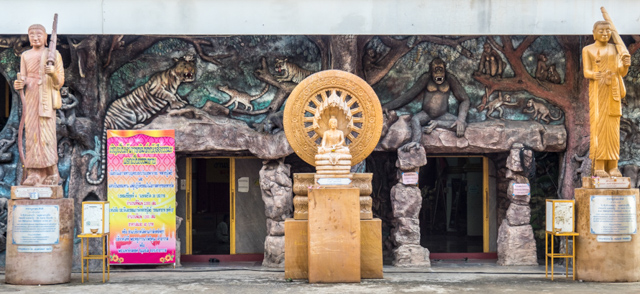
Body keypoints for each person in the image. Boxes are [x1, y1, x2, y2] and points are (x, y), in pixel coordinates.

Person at [13, 24, 64, 186]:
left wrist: (53, 73)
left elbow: (60, 82)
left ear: (46, 37)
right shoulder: (25, 55)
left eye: (38, 34)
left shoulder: (53, 54)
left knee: (47, 135)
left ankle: (52, 172)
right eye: (32, 35)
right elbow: (24, 77)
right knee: (32, 135)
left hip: (46, 98)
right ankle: (34, 173)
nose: (35, 38)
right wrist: (19, 83)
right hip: (31, 97)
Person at [582, 21, 631, 178]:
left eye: (608, 30)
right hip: (598, 92)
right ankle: (599, 166)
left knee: (613, 131)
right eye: (601, 31)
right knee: (599, 128)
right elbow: (586, 72)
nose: (605, 33)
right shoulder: (587, 49)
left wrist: (626, 65)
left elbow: (620, 72)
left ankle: (613, 166)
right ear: (594, 32)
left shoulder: (614, 49)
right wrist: (593, 74)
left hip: (612, 92)